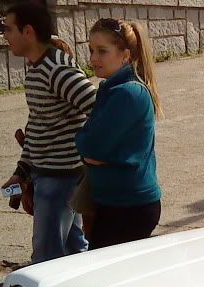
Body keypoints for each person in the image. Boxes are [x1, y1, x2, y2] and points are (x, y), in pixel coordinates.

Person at [2, 3, 96, 262]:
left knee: (46, 258)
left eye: (9, 29)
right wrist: (21, 171)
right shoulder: (36, 69)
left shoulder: (57, 70)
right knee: (74, 252)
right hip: (48, 177)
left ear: (28, 31)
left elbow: (101, 110)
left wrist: (88, 160)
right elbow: (37, 125)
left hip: (62, 180)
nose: (5, 37)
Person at [75, 18, 162, 249]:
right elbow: (91, 145)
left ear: (125, 55)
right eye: (91, 50)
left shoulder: (128, 93)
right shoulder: (112, 89)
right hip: (114, 202)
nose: (93, 58)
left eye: (102, 51)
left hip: (129, 206)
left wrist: (87, 147)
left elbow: (90, 144)